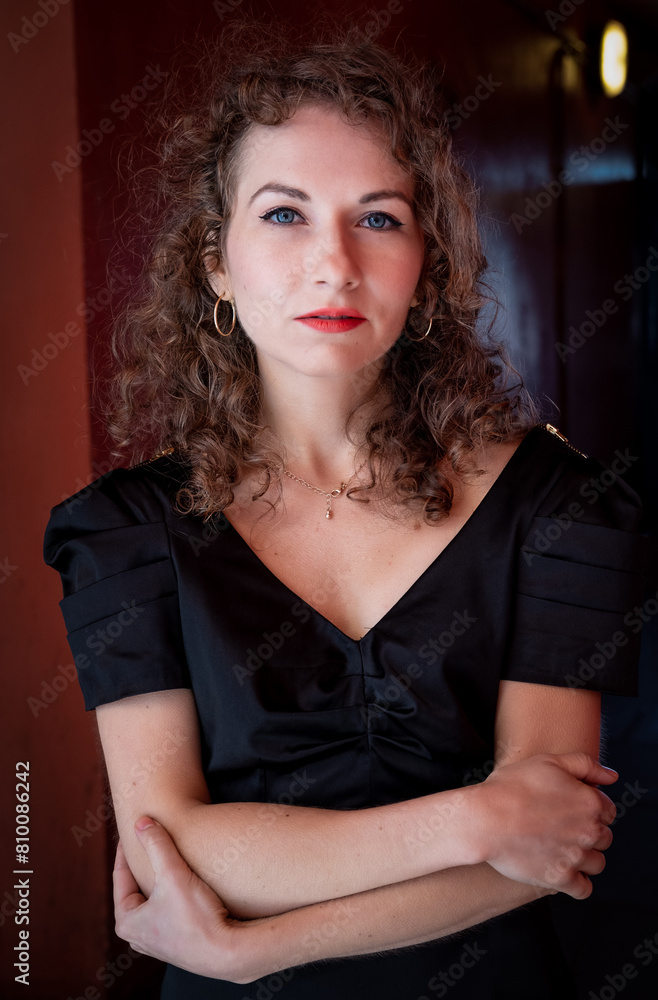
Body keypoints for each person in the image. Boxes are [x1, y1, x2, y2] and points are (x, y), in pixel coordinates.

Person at [43, 25, 645, 999]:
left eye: (378, 219)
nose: (334, 262)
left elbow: (551, 837)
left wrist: (259, 945)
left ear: (427, 261)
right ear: (216, 262)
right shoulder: (123, 533)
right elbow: (174, 846)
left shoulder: (557, 507)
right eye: (283, 215)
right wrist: (467, 819)